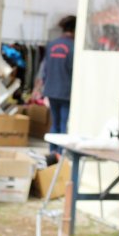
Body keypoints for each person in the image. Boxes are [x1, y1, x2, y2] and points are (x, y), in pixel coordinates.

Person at [42, 15, 76, 158]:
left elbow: (45, 68)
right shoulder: (74, 47)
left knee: (54, 123)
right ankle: (61, 155)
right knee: (63, 124)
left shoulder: (51, 45)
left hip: (51, 89)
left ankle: (52, 152)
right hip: (66, 91)